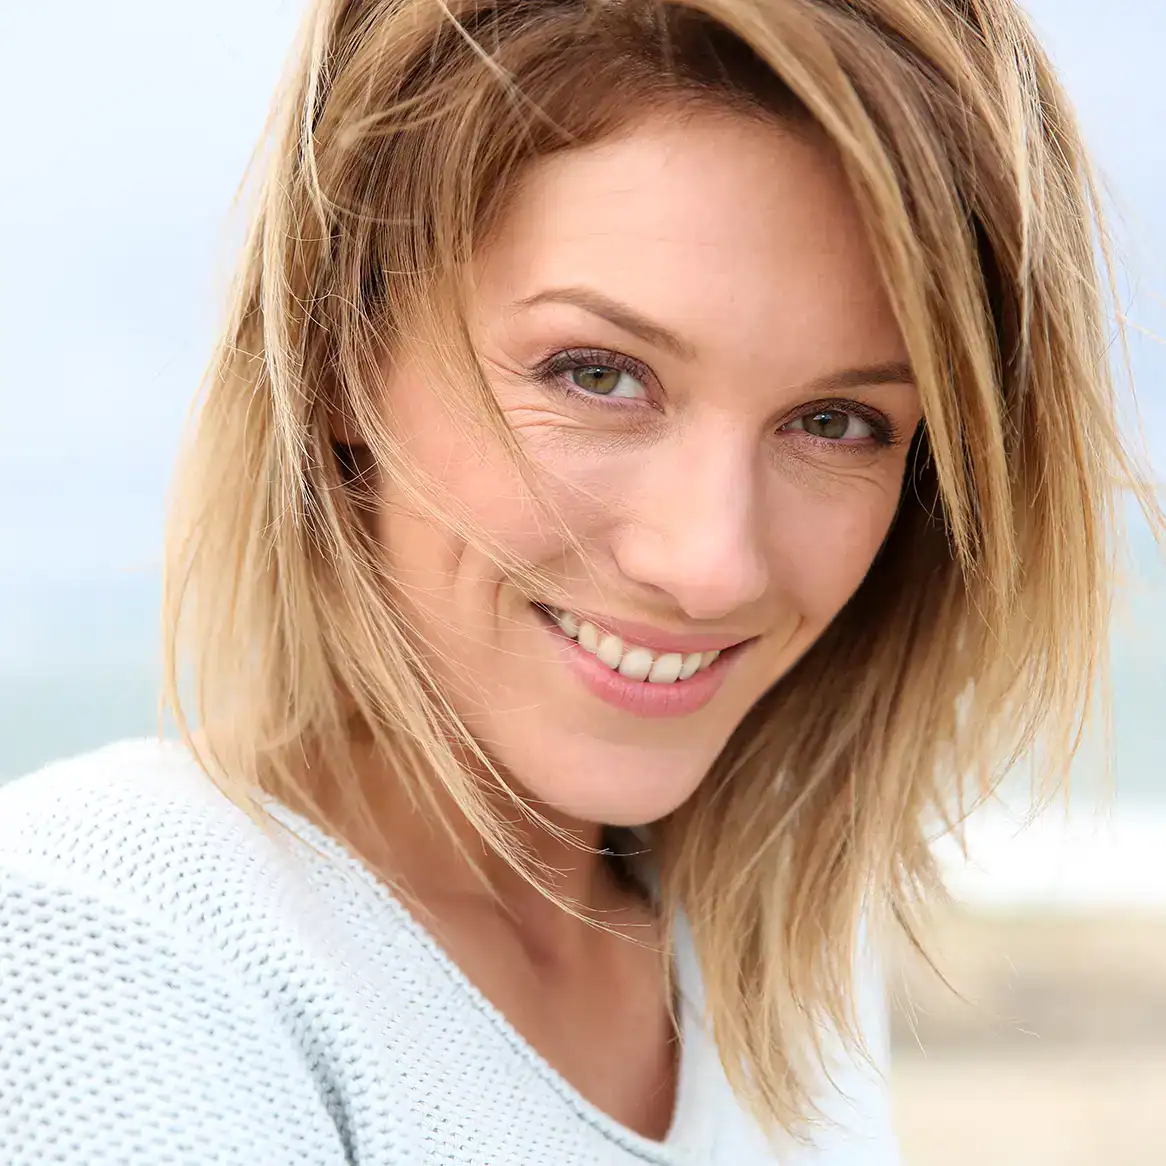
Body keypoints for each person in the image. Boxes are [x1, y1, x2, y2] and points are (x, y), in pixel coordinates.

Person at [0, 0, 1155, 1162]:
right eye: (597, 374)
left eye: (834, 420)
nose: (710, 567)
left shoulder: (770, 942)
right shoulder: (108, 934)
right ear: (343, 350)